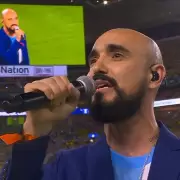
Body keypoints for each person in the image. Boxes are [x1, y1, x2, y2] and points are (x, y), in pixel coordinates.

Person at [1, 28, 180, 180]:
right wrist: (35, 128)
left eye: (117, 55)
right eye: (93, 60)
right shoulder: (66, 166)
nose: (95, 69)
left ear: (154, 76)